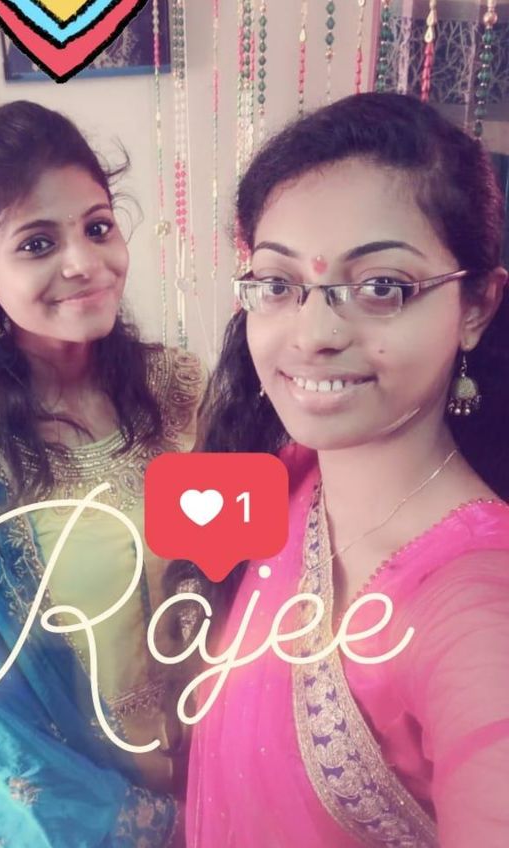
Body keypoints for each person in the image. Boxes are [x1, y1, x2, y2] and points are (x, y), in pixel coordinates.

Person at [184, 93, 509, 847]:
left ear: (476, 306)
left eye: (382, 287)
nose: (314, 334)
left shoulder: (476, 611)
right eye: (278, 284)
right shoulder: (283, 469)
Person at [0, 100, 204, 847]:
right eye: (37, 243)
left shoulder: (181, 389)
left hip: (214, 763)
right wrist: (157, 823)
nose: (84, 263)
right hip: (76, 818)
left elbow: (240, 582)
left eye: (98, 227)